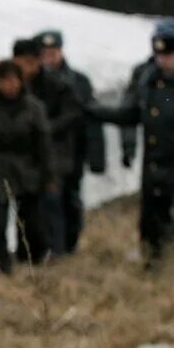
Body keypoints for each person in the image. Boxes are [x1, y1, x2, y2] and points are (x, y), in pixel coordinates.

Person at [94, 19, 174, 264]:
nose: (163, 61)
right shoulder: (147, 79)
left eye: (169, 55)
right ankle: (152, 265)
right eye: (159, 55)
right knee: (152, 222)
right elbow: (132, 112)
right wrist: (97, 112)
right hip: (155, 165)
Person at [0, 59, 54, 273]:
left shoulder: (34, 108)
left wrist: (47, 175)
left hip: (27, 168)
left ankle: (32, 261)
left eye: (13, 79)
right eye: (4, 80)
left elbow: (44, 143)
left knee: (31, 223)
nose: (9, 85)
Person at [35, 29, 106, 253]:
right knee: (49, 202)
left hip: (73, 151)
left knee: (70, 200)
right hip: (45, 154)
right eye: (44, 52)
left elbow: (92, 119)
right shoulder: (34, 83)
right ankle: (54, 248)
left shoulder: (79, 81)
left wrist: (97, 156)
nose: (48, 57)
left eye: (52, 52)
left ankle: (70, 243)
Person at [11, 37, 83, 257]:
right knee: (29, 205)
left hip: (57, 152)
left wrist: (45, 129)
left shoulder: (59, 84)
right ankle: (30, 253)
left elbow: (72, 114)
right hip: (28, 156)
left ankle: (60, 250)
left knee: (56, 201)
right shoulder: (15, 86)